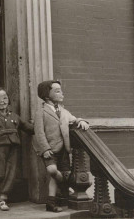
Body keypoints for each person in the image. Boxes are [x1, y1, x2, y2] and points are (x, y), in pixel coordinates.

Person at [33, 80, 89, 212]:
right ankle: (64, 186)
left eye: (61, 90)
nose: (61, 93)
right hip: (49, 149)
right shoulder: (41, 112)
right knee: (52, 171)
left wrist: (81, 120)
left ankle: (51, 203)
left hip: (64, 149)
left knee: (60, 174)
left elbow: (73, 119)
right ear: (47, 95)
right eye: (57, 91)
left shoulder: (63, 111)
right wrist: (45, 149)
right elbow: (39, 133)